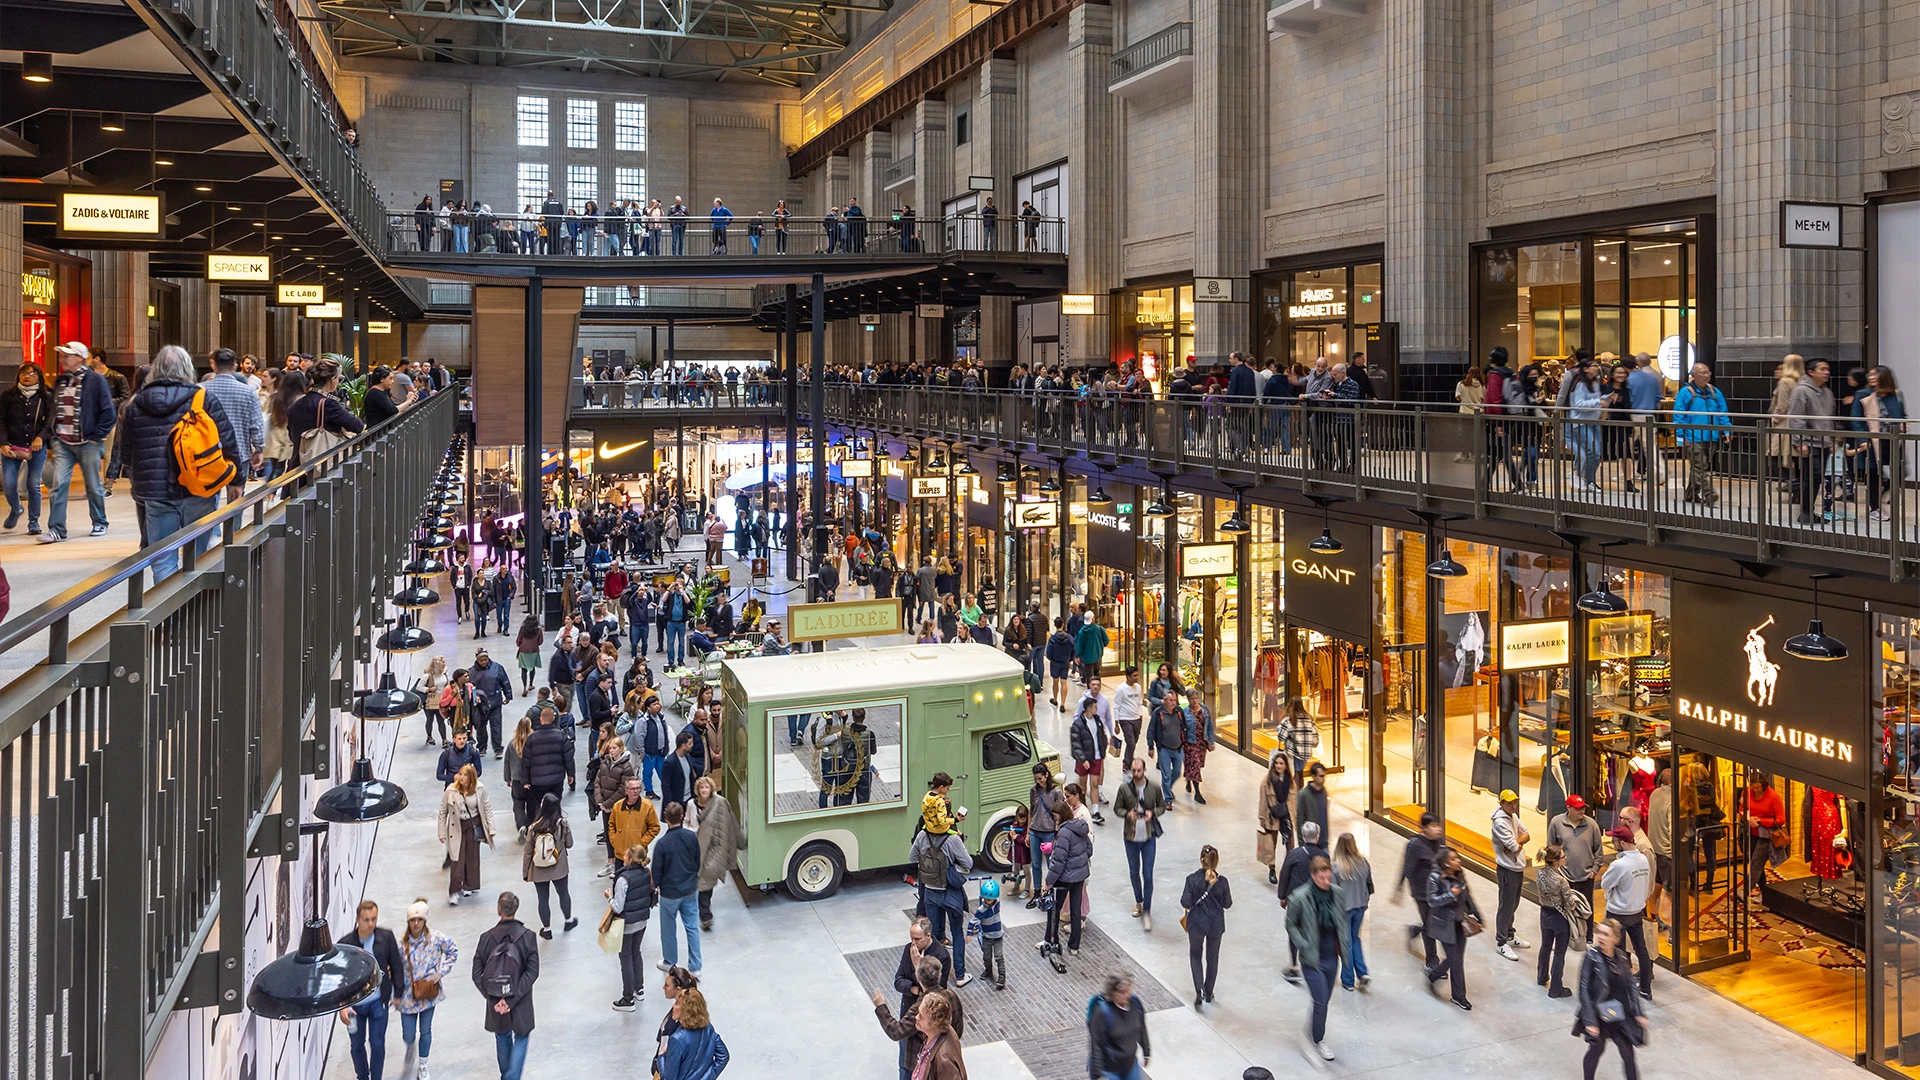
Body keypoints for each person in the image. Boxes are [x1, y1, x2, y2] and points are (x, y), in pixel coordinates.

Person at [124, 345, 244, 578]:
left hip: (155, 492)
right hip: (197, 487)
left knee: (162, 558)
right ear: (188, 368)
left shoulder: (136, 403)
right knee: (198, 555)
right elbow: (227, 440)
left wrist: (139, 486)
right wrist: (236, 480)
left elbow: (127, 453)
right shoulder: (202, 398)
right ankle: (192, 606)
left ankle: (170, 611)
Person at [41, 341, 116, 543]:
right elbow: (55, 409)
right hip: (63, 442)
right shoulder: (61, 381)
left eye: (67, 355)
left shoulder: (96, 380)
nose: (62, 359)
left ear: (80, 358)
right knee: (58, 485)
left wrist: (96, 437)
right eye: (62, 355)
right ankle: (57, 529)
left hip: (88, 442)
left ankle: (100, 522)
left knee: (93, 485)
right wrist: (53, 435)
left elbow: (109, 412)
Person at [1285, 854, 1352, 1060]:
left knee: (1324, 1000)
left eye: (1328, 877)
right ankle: (1318, 1040)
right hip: (1312, 958)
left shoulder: (1337, 894)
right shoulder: (1300, 897)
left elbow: (1341, 920)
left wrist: (1345, 941)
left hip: (1332, 956)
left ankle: (1315, 1024)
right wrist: (1303, 945)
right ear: (1313, 876)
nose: (1326, 881)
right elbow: (1291, 924)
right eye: (1322, 878)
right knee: (1321, 1000)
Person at [335, 900, 405, 1080]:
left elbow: (396, 964)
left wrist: (397, 994)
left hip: (378, 1002)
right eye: (366, 920)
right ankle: (363, 1076)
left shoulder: (386, 937)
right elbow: (339, 980)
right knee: (356, 1045)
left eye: (374, 919)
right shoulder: (345, 945)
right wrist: (343, 1005)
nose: (371, 924)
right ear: (358, 919)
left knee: (378, 1044)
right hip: (354, 1006)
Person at [473, 891, 540, 1080]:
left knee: (502, 1036)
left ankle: (507, 1076)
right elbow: (532, 972)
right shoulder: (528, 937)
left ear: (498, 910)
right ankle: (511, 1077)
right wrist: (512, 999)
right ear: (515, 909)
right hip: (521, 1000)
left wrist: (493, 997)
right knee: (522, 1035)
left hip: (495, 1001)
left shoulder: (486, 938)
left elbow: (476, 972)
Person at [910, 794, 976, 985]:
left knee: (934, 936)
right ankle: (961, 975)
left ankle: (933, 975)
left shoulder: (922, 835)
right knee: (956, 932)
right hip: (950, 892)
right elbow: (968, 863)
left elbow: (912, 856)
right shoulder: (952, 840)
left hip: (930, 892)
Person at [1576, 919, 1649, 1080]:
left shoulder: (1622, 957)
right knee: (1596, 1049)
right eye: (1599, 933)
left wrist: (1638, 1013)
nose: (1601, 937)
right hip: (1598, 1013)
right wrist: (1590, 1022)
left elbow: (1630, 987)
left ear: (1616, 938)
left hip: (1618, 1013)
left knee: (1628, 1054)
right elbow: (1584, 991)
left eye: (1606, 934)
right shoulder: (1591, 957)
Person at [873, 955, 965, 1080]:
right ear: (940, 975)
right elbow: (958, 1028)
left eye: (921, 1017)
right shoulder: (951, 996)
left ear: (934, 1022)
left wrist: (881, 1006)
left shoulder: (942, 1059)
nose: (916, 1017)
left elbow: (896, 1031)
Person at [395, 898, 458, 1080]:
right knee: (408, 1034)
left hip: (429, 993)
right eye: (413, 920)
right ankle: (410, 1047)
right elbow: (393, 969)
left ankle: (423, 1064)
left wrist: (441, 972)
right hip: (408, 996)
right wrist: (394, 994)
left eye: (420, 920)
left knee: (426, 1030)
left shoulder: (436, 938)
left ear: (425, 921)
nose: (416, 924)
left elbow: (453, 950)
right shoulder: (401, 944)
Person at [1601, 825, 1656, 1002]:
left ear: (1623, 843)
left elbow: (1605, 884)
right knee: (1642, 951)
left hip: (1617, 913)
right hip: (1636, 912)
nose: (1611, 842)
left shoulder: (1619, 864)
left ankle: (1620, 989)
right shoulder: (1642, 859)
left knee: (1617, 953)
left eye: (1614, 840)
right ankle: (1646, 989)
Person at [1041, 783, 1093, 964]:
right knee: (1075, 911)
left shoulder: (1063, 833)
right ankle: (1074, 946)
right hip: (1079, 876)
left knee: (1054, 910)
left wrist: (1048, 882)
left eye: (1055, 816)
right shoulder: (1080, 826)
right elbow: (1089, 849)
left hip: (1064, 878)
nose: (1054, 819)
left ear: (1061, 815)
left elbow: (1058, 862)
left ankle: (1050, 939)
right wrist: (1079, 861)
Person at [1424, 846, 1481, 1010]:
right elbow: (1432, 900)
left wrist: (1478, 915)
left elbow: (1468, 896)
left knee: (1456, 959)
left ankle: (1435, 976)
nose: (1458, 861)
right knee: (1455, 960)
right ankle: (1459, 996)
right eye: (1454, 859)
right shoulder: (1435, 877)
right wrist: (1451, 894)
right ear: (1445, 862)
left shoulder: (1460, 875)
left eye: (1458, 858)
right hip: (1443, 924)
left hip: (1459, 923)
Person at [1110, 757, 1164, 931]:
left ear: (1144, 770)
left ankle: (1147, 910)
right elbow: (1117, 808)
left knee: (1147, 874)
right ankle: (1139, 901)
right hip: (1131, 837)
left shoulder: (1154, 788)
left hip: (1148, 837)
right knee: (1134, 872)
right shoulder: (1124, 789)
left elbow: (1162, 806)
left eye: (1139, 770)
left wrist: (1152, 813)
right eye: (1133, 771)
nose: (1136, 774)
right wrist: (1128, 814)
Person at [0, 363, 53, 534]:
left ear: (39, 376)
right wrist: (3, 443)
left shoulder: (46, 396)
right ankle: (16, 509)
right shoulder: (8, 396)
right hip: (11, 446)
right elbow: (1, 421)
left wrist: (40, 437)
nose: (26, 376)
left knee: (33, 484)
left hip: (36, 446)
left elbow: (50, 422)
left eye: (31, 373)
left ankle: (34, 522)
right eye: (23, 373)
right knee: (8, 484)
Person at [285, 356, 364, 468]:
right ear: (332, 380)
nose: (338, 382)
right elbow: (357, 426)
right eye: (339, 379)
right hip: (321, 467)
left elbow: (292, 434)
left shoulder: (295, 405)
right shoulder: (328, 404)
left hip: (297, 465)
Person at [653, 800, 703, 973]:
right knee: (692, 927)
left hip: (670, 894)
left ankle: (670, 961)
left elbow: (657, 871)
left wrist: (657, 888)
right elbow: (697, 861)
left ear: (666, 819)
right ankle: (696, 967)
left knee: (668, 929)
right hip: (690, 889)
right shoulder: (691, 837)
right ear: (682, 817)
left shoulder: (662, 844)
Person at [1179, 845, 1232, 1008]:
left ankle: (1198, 991)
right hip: (1216, 925)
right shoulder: (1222, 881)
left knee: (1195, 955)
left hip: (1196, 924)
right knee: (1212, 958)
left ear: (1201, 859)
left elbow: (1185, 902)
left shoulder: (1191, 879)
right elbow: (1227, 904)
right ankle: (1209, 992)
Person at [1787, 357, 1838, 523]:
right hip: (1809, 442)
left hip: (1823, 442)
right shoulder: (1801, 391)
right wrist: (1800, 442)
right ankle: (1806, 511)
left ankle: (1808, 511)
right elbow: (1796, 418)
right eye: (1822, 369)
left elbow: (1830, 417)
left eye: (1827, 369)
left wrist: (1831, 441)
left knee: (1817, 477)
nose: (1826, 373)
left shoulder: (1827, 392)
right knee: (1811, 477)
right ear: (1811, 371)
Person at [520, 792, 577, 939]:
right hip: (559, 867)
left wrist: (526, 872)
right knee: (563, 893)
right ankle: (568, 920)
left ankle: (547, 929)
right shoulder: (562, 824)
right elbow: (570, 844)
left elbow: (527, 852)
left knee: (543, 899)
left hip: (538, 868)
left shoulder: (533, 827)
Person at [1276, 819, 1328, 982]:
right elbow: (1328, 880)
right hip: (1317, 899)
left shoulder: (1294, 854)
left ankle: (1293, 966)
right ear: (1317, 837)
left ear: (1303, 836)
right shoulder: (1324, 856)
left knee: (1294, 930)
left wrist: (1282, 896)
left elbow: (1284, 875)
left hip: (1296, 899)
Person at [1672, 361, 1730, 506]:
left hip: (1711, 437)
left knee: (1699, 467)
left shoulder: (1714, 392)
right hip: (1692, 437)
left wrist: (1727, 430)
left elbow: (1722, 413)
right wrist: (1681, 436)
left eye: (1708, 372)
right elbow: (1679, 416)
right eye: (1702, 373)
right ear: (1694, 375)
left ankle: (1690, 495)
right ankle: (1709, 493)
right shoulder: (1686, 393)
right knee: (1700, 466)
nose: (1706, 375)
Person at [607, 843, 655, 1011]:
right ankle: (639, 989)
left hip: (626, 924)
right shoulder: (646, 873)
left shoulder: (623, 879)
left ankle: (628, 998)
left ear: (630, 859)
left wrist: (609, 898)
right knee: (636, 953)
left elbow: (618, 907)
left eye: (626, 856)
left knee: (625, 957)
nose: (623, 858)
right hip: (642, 921)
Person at [1549, 795, 1603, 942]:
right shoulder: (1556, 822)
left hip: (1585, 876)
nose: (1582, 811)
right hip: (1564, 876)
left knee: (1586, 908)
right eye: (1578, 809)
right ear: (1569, 808)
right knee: (1562, 907)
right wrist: (1555, 871)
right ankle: (1563, 937)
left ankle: (1588, 937)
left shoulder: (1592, 825)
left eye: (1583, 808)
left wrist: (1594, 871)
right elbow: (1551, 848)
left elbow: (1598, 851)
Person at [436, 764, 494, 904]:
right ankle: (454, 891)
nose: (461, 777)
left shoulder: (480, 789)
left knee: (472, 857)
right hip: (456, 827)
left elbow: (487, 809)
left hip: (473, 825)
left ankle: (468, 885)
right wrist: (441, 832)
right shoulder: (451, 790)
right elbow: (442, 812)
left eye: (465, 775)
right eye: (460, 773)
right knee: (457, 859)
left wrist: (491, 829)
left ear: (471, 777)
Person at [692, 775, 740, 932]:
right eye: (701, 787)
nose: (704, 790)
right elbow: (688, 822)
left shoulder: (719, 802)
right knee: (705, 882)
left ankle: (705, 915)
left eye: (707, 787)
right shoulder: (691, 805)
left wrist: (740, 840)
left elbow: (731, 820)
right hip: (696, 847)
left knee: (706, 879)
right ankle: (705, 912)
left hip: (715, 848)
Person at [1536, 843, 1584, 998]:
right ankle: (1556, 988)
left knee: (1545, 945)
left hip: (1545, 913)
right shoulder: (1561, 881)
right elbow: (1570, 904)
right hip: (1560, 917)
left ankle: (1542, 976)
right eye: (1563, 857)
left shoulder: (1540, 874)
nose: (1565, 858)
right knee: (1559, 953)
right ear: (1556, 861)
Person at [1492, 788, 1532, 961]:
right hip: (1507, 869)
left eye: (1515, 802)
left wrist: (1517, 841)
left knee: (1513, 904)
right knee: (1506, 906)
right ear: (1501, 804)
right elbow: (1515, 847)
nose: (1514, 805)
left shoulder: (1513, 816)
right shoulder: (1499, 822)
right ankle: (1501, 942)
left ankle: (1509, 934)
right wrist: (1517, 841)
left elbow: (1527, 835)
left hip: (1516, 867)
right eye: (1510, 803)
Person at [656, 987, 729, 1080]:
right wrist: (709, 1076)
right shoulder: (708, 1028)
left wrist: (661, 1056)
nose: (673, 1006)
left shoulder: (676, 1039)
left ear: (687, 1010)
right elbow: (723, 1056)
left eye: (677, 1003)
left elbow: (669, 1078)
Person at [1330, 832, 1373, 991]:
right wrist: (1366, 901)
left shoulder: (1336, 867)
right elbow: (1368, 884)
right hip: (1360, 906)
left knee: (1345, 943)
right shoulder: (1363, 863)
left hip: (1343, 909)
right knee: (1354, 938)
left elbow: (1332, 892)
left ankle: (1348, 980)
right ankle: (1362, 972)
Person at [1086, 973, 1150, 1080]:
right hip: (1109, 1070)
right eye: (1122, 992)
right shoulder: (1102, 1012)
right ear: (1112, 993)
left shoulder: (1135, 1004)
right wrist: (1098, 1075)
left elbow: (1141, 1028)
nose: (1127, 995)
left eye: (1128, 991)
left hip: (1130, 1065)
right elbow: (1096, 1044)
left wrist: (1146, 1052)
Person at [891, 916, 953, 1014]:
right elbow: (898, 981)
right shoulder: (909, 949)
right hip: (909, 1008)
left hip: (928, 1013)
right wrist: (914, 990)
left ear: (928, 936)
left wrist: (918, 966)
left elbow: (937, 992)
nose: (913, 943)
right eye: (911, 938)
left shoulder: (942, 956)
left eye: (917, 939)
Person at [606, 773, 661, 881]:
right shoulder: (617, 806)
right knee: (619, 884)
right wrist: (615, 840)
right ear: (626, 790)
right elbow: (611, 825)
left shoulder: (647, 806)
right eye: (632, 788)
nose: (635, 791)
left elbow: (655, 827)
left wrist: (641, 842)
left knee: (638, 886)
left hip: (638, 857)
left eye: (637, 788)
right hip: (620, 856)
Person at [1256, 752, 1294, 886]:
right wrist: (1262, 817)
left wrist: (1292, 816)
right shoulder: (1267, 781)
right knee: (1270, 844)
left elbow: (1293, 799)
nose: (1278, 766)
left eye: (1281, 763)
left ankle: (1289, 870)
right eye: (1276, 763)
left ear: (1285, 766)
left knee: (1290, 844)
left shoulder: (1290, 780)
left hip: (1286, 818)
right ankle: (1271, 868)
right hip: (1271, 817)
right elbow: (1263, 800)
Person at [1145, 691, 1187, 810]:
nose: (1173, 703)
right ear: (1165, 701)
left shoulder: (1179, 711)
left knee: (1177, 772)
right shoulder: (1158, 713)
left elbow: (1183, 727)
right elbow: (1151, 730)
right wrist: (1150, 746)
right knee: (1166, 774)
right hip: (1164, 749)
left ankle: (1167, 788)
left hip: (1178, 748)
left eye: (1174, 700)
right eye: (1170, 700)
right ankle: (1167, 799)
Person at [1069, 697, 1107, 826]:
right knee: (1083, 786)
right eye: (1095, 707)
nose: (1097, 709)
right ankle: (1082, 808)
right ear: (1089, 708)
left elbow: (1102, 737)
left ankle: (1096, 811)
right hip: (1084, 760)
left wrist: (1102, 752)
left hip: (1096, 757)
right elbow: (1076, 743)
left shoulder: (1098, 721)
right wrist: (1083, 759)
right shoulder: (1078, 725)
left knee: (1094, 784)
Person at [469, 649, 514, 758]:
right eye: (481, 660)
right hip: (480, 706)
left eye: (485, 659)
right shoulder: (471, 672)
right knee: (480, 727)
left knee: (496, 727)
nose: (484, 662)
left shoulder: (497, 668)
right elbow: (471, 687)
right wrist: (475, 698)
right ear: (477, 660)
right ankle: (482, 747)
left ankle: (498, 749)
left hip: (495, 703)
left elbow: (505, 681)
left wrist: (508, 695)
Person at [1026, 764, 1061, 906]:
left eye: (1040, 778)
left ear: (1046, 775)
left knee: (1051, 864)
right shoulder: (1034, 791)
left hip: (1049, 833)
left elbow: (1060, 813)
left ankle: (1050, 891)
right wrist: (1028, 832)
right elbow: (1031, 811)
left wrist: (1056, 833)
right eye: (1036, 779)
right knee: (1035, 864)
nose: (1038, 781)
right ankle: (1036, 892)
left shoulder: (1056, 792)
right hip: (1035, 831)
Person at [965, 879, 1006, 992]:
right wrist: (969, 933)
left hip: (998, 936)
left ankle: (1002, 977)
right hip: (987, 937)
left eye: (990, 899)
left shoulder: (997, 904)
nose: (988, 901)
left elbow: (994, 902)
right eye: (986, 899)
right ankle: (988, 970)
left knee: (999, 956)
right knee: (987, 956)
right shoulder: (981, 910)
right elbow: (973, 921)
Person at [1111, 665, 1143, 764]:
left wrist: (1140, 715)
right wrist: (1116, 724)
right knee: (1131, 743)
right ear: (1128, 677)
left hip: (1137, 718)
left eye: (1137, 675)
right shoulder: (1121, 689)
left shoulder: (1138, 687)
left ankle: (1127, 759)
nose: (1137, 677)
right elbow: (1116, 706)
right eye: (1134, 676)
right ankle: (1127, 763)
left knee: (1134, 742)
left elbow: (1139, 702)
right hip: (1125, 719)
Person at [1294, 761, 1330, 842]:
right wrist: (1302, 843)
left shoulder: (1324, 791)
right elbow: (1299, 820)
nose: (1323, 779)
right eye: (1321, 776)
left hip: (1323, 841)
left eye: (1324, 776)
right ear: (1313, 776)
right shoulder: (1303, 794)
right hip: (1310, 842)